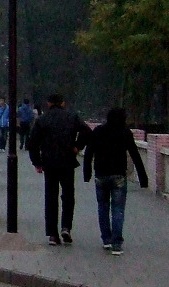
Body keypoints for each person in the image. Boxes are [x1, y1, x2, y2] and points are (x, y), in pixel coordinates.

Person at [27, 93, 92, 246]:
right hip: (67, 161)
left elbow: (32, 143)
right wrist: (77, 146)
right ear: (63, 103)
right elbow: (87, 132)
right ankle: (66, 227)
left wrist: (37, 163)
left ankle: (52, 234)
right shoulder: (72, 117)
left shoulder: (42, 119)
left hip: (49, 163)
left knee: (51, 197)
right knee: (68, 196)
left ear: (48, 103)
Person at [83, 108, 149, 255]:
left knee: (103, 207)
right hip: (119, 175)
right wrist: (143, 178)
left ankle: (106, 239)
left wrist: (87, 174)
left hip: (101, 175)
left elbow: (88, 152)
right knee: (118, 209)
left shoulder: (98, 131)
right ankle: (117, 244)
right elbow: (135, 154)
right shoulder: (125, 132)